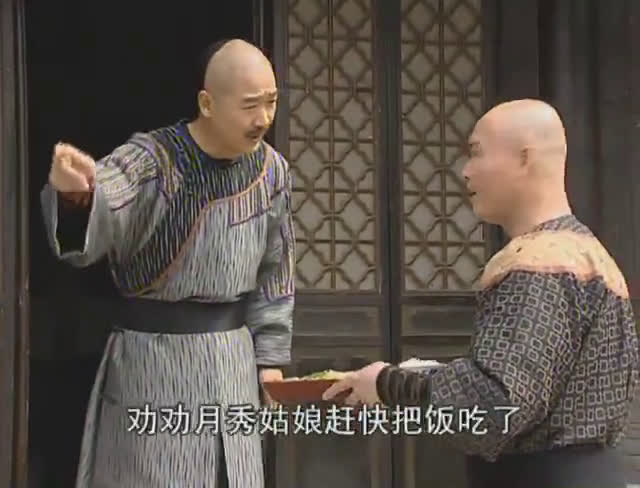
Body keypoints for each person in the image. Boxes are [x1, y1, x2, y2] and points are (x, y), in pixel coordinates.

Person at [323, 99, 639, 488]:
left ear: (524, 158)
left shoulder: (537, 261)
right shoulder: (593, 256)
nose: (465, 171)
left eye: (476, 153)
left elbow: (496, 404)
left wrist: (388, 385)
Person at [41, 38, 295, 488]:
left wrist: (269, 360)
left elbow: (275, 270)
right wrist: (77, 194)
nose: (263, 119)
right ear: (207, 103)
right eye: (250, 105)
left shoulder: (272, 172)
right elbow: (108, 193)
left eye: (271, 102)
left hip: (232, 363)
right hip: (153, 366)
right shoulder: (150, 160)